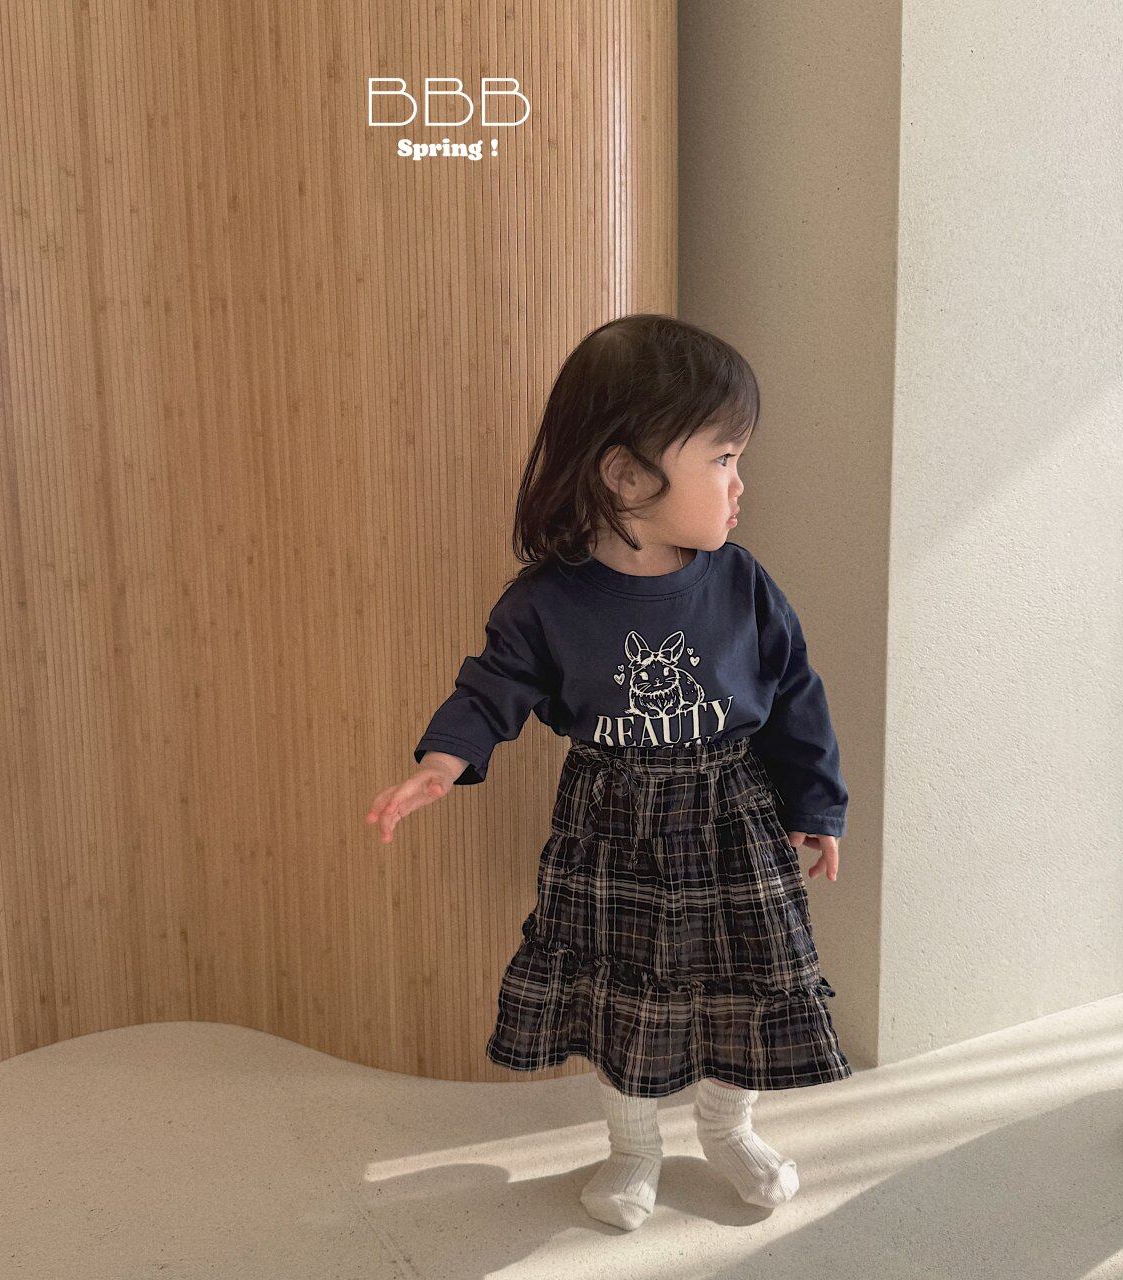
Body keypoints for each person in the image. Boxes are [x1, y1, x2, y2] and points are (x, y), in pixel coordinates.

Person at [364, 314, 852, 1232]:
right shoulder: (548, 601)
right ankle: (634, 1150)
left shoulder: (740, 582)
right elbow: (491, 686)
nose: (740, 484)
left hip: (731, 816)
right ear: (626, 474)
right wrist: (443, 760)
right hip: (613, 827)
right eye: (722, 459)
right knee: (622, 998)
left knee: (745, 985)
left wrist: (818, 805)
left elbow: (796, 695)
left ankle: (729, 1128)